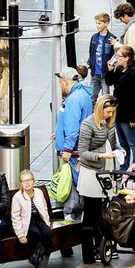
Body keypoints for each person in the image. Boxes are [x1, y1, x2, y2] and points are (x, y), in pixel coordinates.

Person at [75, 95, 120, 264]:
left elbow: (114, 145)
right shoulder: (88, 124)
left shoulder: (109, 124)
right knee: (91, 213)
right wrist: (101, 156)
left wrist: (118, 152)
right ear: (101, 108)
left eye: (112, 112)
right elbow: (82, 152)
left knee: (103, 213)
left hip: (106, 172)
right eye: (108, 111)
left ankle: (101, 246)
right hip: (92, 174)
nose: (109, 115)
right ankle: (88, 252)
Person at [55, 67, 93, 220]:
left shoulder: (73, 99)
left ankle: (72, 216)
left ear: (64, 81)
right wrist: (58, 132)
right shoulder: (84, 95)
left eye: (60, 83)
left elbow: (72, 127)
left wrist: (67, 148)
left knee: (72, 184)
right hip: (80, 147)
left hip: (73, 151)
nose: (60, 87)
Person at [10, 170, 58, 268]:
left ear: (33, 181)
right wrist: (20, 234)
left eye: (29, 180)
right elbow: (15, 217)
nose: (26, 183)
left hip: (40, 220)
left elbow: (44, 208)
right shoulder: (17, 197)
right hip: (27, 223)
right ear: (20, 183)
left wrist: (46, 223)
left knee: (48, 235)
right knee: (46, 241)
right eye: (23, 181)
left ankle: (35, 257)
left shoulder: (38, 192)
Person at [104, 45, 135, 170]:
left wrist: (134, 118)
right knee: (123, 143)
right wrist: (110, 69)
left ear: (127, 58)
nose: (117, 58)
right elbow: (109, 82)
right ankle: (124, 167)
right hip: (118, 111)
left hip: (129, 113)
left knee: (133, 143)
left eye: (119, 56)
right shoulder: (119, 69)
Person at [87, 13, 114, 101]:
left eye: (99, 23)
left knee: (105, 99)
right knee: (91, 97)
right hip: (94, 73)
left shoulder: (111, 38)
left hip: (105, 73)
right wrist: (89, 63)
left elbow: (114, 55)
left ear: (106, 24)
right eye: (96, 23)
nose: (97, 25)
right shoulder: (94, 37)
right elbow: (91, 53)